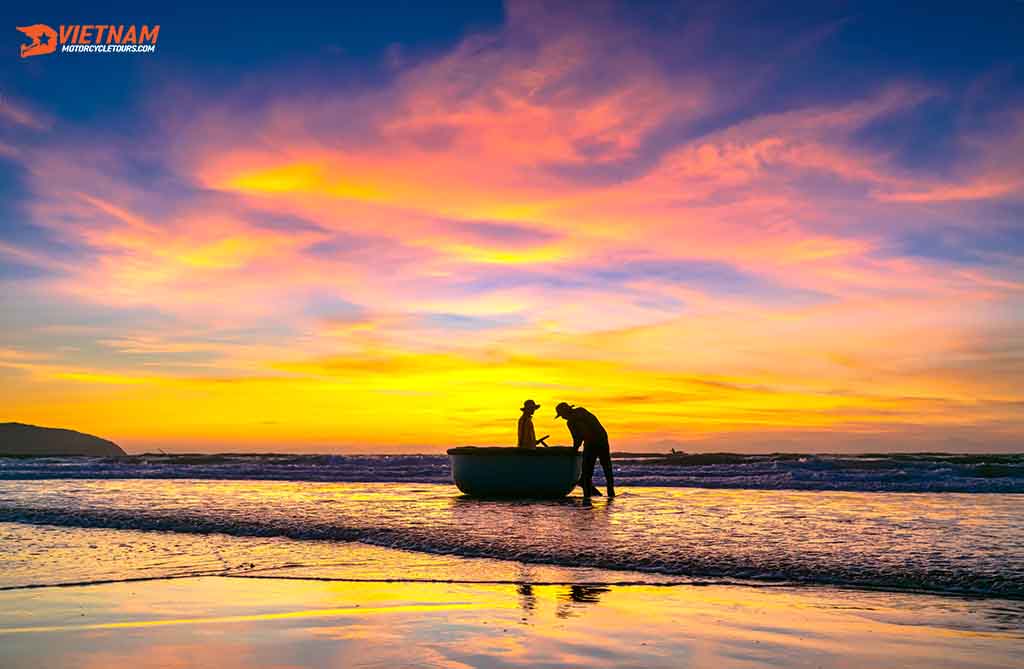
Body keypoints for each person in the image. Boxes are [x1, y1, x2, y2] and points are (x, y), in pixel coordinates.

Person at [554, 402, 615, 499]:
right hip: (603, 439)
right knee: (607, 468)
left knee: (587, 472)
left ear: (565, 413)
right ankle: (611, 494)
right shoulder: (582, 410)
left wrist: (574, 450)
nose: (562, 418)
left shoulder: (571, 422)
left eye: (562, 415)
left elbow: (578, 438)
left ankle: (587, 496)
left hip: (591, 443)